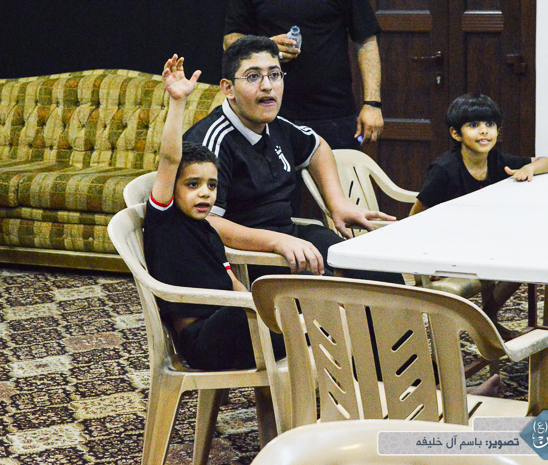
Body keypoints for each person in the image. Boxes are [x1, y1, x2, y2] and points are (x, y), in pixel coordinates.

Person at [183, 35, 401, 283]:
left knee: (377, 269)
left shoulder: (277, 126)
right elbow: (207, 221)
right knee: (339, 288)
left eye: (275, 75)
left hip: (288, 234)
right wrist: (276, 242)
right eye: (253, 77)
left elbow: (317, 146)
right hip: (246, 257)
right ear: (228, 88)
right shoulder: (211, 142)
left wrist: (337, 203)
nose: (267, 86)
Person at [143, 54, 285, 371]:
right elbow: (169, 159)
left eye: (212, 185)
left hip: (229, 326)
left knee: (282, 308)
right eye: (193, 184)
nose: (205, 192)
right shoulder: (164, 220)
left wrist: (260, 307)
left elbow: (233, 283)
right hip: (201, 340)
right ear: (172, 188)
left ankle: (316, 347)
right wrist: (177, 101)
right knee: (258, 316)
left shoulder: (209, 230)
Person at [409, 93, 548, 340]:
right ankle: (486, 322)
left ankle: (486, 318)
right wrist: (427, 262)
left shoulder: (497, 160)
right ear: (456, 134)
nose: (484, 131)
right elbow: (415, 218)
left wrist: (529, 168)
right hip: (446, 248)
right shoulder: (444, 169)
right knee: (520, 259)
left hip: (479, 242)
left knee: (530, 258)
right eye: (473, 125)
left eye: (489, 124)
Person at [223, 0, 383, 149]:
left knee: (338, 171)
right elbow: (230, 41)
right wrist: (264, 46)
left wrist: (372, 104)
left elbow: (366, 42)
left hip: (333, 115)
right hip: (268, 113)